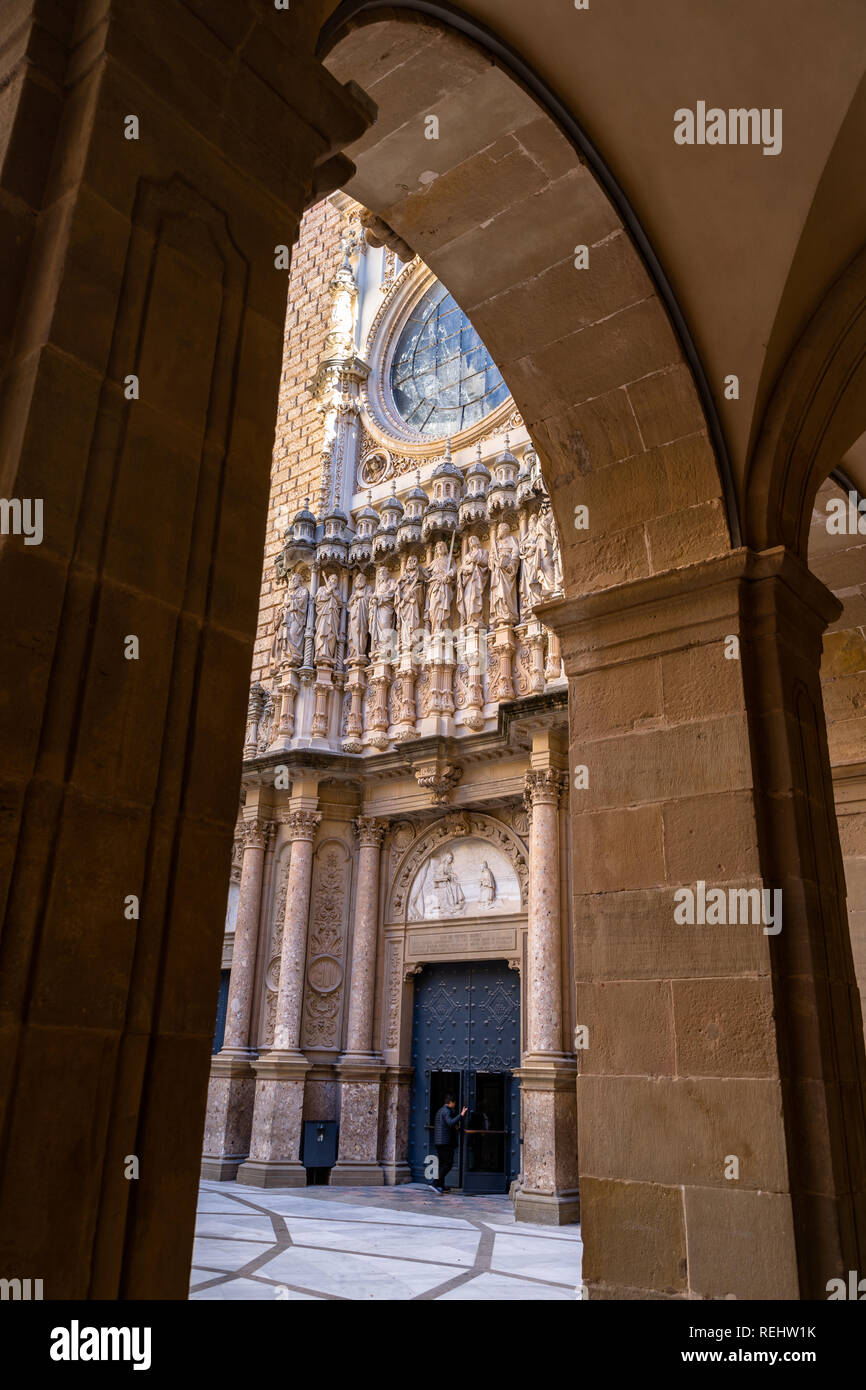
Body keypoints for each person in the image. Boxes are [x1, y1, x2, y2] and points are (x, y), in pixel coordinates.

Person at [431, 1093, 467, 1193]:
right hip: (445, 1142)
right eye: (454, 1103)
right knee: (448, 1164)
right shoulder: (447, 1111)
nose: (455, 1105)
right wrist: (461, 1115)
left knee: (442, 1164)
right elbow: (450, 1122)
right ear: (451, 1102)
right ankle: (436, 1183)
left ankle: (441, 1185)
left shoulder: (440, 1110)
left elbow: (446, 1124)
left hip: (439, 1141)